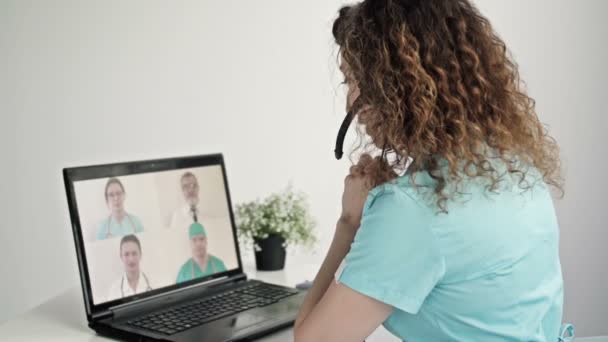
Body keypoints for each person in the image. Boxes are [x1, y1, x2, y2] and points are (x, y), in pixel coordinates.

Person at [294, 1, 566, 342]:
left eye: (353, 81)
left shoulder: (413, 209)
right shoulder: (515, 169)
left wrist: (350, 223)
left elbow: (315, 341)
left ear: (394, 85)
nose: (350, 102)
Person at [106, 234, 152, 301]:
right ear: (121, 257)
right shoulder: (114, 291)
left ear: (140, 255)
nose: (131, 259)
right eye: (126, 254)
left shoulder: (155, 282)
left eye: (134, 253)